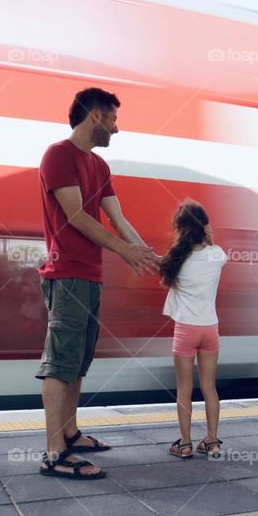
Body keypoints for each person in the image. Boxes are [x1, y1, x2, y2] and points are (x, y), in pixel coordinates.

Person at [36, 87, 159, 479]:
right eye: (114, 120)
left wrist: (152, 257)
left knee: (78, 360)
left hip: (90, 274)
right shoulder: (58, 155)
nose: (116, 129)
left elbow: (118, 220)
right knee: (60, 363)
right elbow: (75, 217)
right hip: (67, 272)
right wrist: (125, 253)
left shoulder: (100, 167)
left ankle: (70, 434)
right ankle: (55, 453)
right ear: (95, 117)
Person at [159, 201, 227, 458]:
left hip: (186, 330)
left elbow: (167, 277)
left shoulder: (176, 260)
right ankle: (212, 442)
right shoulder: (217, 255)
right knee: (210, 387)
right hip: (210, 329)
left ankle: (185, 444)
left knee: (184, 389)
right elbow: (215, 249)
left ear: (180, 228)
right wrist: (210, 236)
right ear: (204, 227)